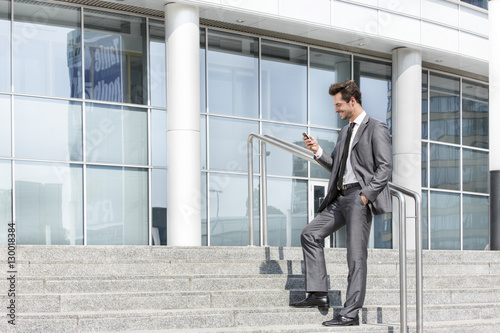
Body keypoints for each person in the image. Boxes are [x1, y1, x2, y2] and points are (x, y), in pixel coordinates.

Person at [290, 80, 393, 326]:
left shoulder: (376, 127)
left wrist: (366, 195)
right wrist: (317, 152)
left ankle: (350, 313)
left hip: (359, 198)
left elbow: (385, 167)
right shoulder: (345, 131)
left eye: (339, 105)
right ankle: (318, 292)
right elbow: (336, 167)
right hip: (340, 197)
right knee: (310, 233)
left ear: (352, 101)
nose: (336, 110)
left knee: (355, 256)